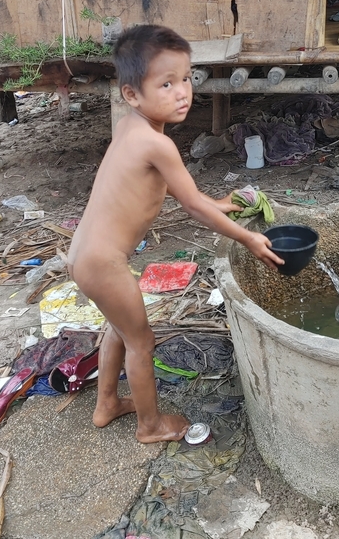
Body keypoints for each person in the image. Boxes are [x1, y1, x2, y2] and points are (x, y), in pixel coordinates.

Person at [67, 24, 283, 443]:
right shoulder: (158, 144)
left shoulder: (131, 128)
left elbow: (171, 191)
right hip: (103, 263)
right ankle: (149, 427)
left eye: (186, 79)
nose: (182, 92)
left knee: (120, 329)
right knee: (142, 342)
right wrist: (247, 237)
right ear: (132, 94)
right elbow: (192, 206)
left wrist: (222, 203)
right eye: (166, 84)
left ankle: (107, 404)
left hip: (86, 256)